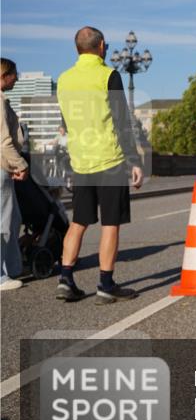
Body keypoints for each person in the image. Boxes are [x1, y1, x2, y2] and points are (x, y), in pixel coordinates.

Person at [56, 27, 143, 304]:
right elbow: (121, 120)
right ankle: (106, 284)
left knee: (78, 222)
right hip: (109, 160)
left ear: (77, 48)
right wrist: (134, 160)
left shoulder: (64, 79)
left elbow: (67, 121)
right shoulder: (109, 75)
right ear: (102, 46)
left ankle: (65, 279)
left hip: (80, 160)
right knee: (111, 223)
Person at [1, 58, 28, 291]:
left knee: (13, 219)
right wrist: (21, 165)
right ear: (3, 76)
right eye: (13, 74)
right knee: (4, 224)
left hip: (4, 168)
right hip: (2, 168)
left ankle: (13, 268)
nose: (16, 78)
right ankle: (1, 276)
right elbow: (4, 142)